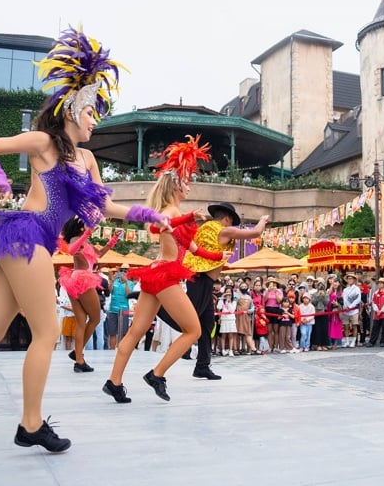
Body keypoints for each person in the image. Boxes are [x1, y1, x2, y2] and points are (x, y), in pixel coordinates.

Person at [0, 27, 166, 458]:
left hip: (35, 243)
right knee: (44, 333)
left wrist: (152, 217)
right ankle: (31, 423)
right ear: (74, 110)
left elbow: (108, 206)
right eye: (92, 111)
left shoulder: (89, 160)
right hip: (26, 236)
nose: (95, 119)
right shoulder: (44, 143)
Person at [104, 135, 213, 403]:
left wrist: (218, 253)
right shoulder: (171, 210)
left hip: (156, 273)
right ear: (176, 185)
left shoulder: (173, 210)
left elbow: (192, 247)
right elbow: (156, 226)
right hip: (165, 276)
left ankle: (114, 381)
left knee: (136, 331)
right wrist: (189, 217)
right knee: (194, 331)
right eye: (186, 180)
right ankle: (157, 374)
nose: (189, 185)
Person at [158, 202, 268, 378]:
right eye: (231, 221)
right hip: (201, 279)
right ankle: (160, 309)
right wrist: (262, 220)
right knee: (188, 322)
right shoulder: (223, 230)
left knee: (207, 323)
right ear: (227, 218)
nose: (232, 225)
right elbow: (255, 232)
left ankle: (202, 366)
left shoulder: (204, 228)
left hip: (202, 280)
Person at [58, 218, 119, 372]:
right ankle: (78, 354)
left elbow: (99, 254)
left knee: (81, 321)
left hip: (76, 278)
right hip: (82, 278)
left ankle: (78, 359)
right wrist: (87, 233)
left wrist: (114, 239)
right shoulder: (76, 239)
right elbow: (71, 250)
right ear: (80, 227)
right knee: (95, 318)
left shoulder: (84, 240)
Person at [107, 266, 133, 349]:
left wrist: (126, 283)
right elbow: (110, 291)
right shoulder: (115, 282)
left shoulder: (130, 283)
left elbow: (128, 294)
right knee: (112, 332)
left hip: (124, 309)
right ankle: (111, 349)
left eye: (125, 271)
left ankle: (121, 349)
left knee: (123, 332)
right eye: (121, 271)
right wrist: (112, 281)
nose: (123, 273)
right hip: (113, 309)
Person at [366, 279, 384, 347]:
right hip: (377, 313)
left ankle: (383, 341)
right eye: (379, 283)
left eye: (381, 283)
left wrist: (382, 310)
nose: (379, 284)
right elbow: (373, 302)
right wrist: (377, 310)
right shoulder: (375, 293)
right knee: (375, 328)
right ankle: (372, 342)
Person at [341, 273, 362, 348]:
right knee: (346, 326)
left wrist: (350, 306)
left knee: (354, 326)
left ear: (354, 280)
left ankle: (353, 341)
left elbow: (358, 299)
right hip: (345, 310)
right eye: (349, 279)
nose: (350, 280)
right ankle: (347, 341)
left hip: (354, 310)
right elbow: (343, 299)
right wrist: (345, 307)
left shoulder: (357, 289)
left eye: (351, 279)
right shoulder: (345, 290)